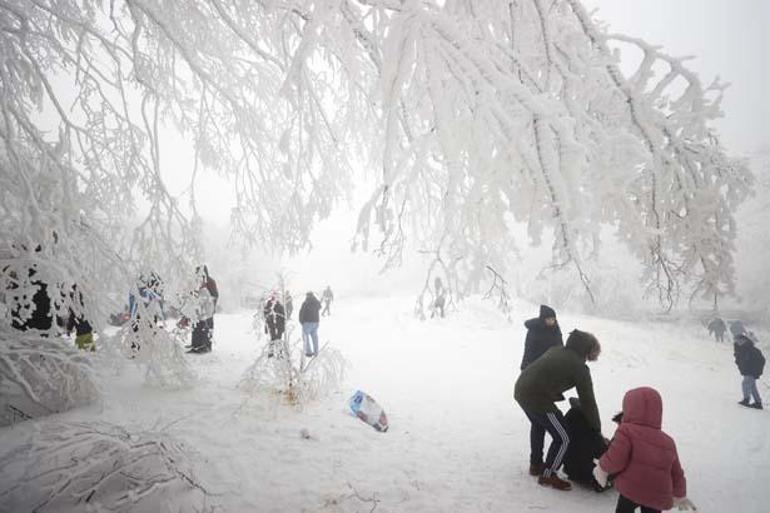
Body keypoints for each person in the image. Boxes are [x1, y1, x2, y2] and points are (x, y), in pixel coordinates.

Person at [514, 329, 602, 491]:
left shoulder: (557, 349)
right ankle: (548, 474)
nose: (596, 355)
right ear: (587, 350)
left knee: (538, 424)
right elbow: (588, 400)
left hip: (521, 390)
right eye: (595, 351)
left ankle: (536, 464)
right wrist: (596, 427)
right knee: (564, 437)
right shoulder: (579, 367)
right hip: (537, 397)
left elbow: (547, 372)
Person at [593, 387, 696, 513]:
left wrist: (602, 468)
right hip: (657, 494)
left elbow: (616, 458)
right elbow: (677, 473)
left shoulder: (626, 431)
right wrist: (680, 495)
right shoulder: (668, 442)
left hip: (631, 488)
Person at [562, 397, 610, 492]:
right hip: (587, 475)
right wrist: (607, 444)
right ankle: (600, 483)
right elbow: (602, 453)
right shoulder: (591, 433)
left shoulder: (566, 427)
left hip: (569, 469)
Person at [521, 305, 563, 370]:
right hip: (536, 365)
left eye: (553, 319)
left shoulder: (556, 330)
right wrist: (525, 367)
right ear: (543, 319)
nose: (551, 321)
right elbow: (528, 349)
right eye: (549, 319)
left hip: (553, 365)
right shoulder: (535, 329)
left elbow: (560, 346)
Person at [733, 330, 765, 410]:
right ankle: (758, 402)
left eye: (740, 340)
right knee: (752, 386)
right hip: (747, 371)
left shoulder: (750, 349)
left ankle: (746, 399)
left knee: (745, 384)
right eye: (737, 340)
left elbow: (760, 360)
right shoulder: (741, 349)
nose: (738, 342)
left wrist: (756, 371)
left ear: (744, 340)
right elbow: (740, 360)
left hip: (751, 371)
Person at [299, 291, 322, 357]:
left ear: (307, 296)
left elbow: (302, 312)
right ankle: (316, 352)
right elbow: (320, 307)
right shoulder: (316, 302)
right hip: (316, 322)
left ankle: (309, 352)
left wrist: (301, 321)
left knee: (305, 337)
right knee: (315, 337)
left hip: (307, 322)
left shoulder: (306, 303)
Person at [263, 292, 286, 358]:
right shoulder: (270, 305)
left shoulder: (278, 305)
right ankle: (273, 353)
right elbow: (265, 314)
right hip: (272, 325)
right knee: (274, 338)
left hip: (277, 325)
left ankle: (278, 353)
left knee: (276, 339)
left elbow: (283, 316)